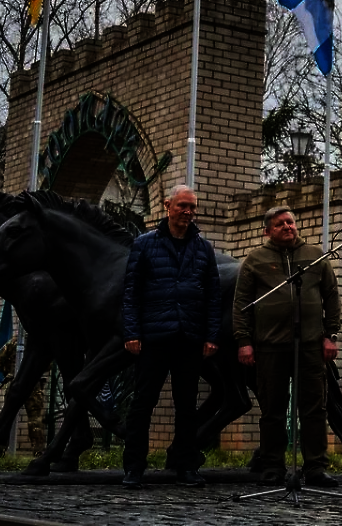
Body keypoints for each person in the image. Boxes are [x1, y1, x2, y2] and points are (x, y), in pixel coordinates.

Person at [120, 184, 220, 490]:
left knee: (187, 406)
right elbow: (131, 292)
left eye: (192, 207)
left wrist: (211, 335)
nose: (188, 212)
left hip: (189, 337)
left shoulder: (203, 248)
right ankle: (134, 468)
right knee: (142, 404)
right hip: (153, 337)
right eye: (182, 206)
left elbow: (213, 295)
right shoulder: (145, 244)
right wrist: (132, 331)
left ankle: (185, 466)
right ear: (168, 206)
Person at [233, 206, 342, 487]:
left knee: (314, 408)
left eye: (291, 222)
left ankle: (316, 467)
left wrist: (331, 335)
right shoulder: (255, 259)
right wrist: (244, 341)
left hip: (309, 346)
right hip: (270, 346)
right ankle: (272, 467)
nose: (288, 227)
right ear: (267, 230)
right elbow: (241, 303)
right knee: (273, 410)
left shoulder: (315, 256)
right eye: (280, 223)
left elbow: (331, 296)